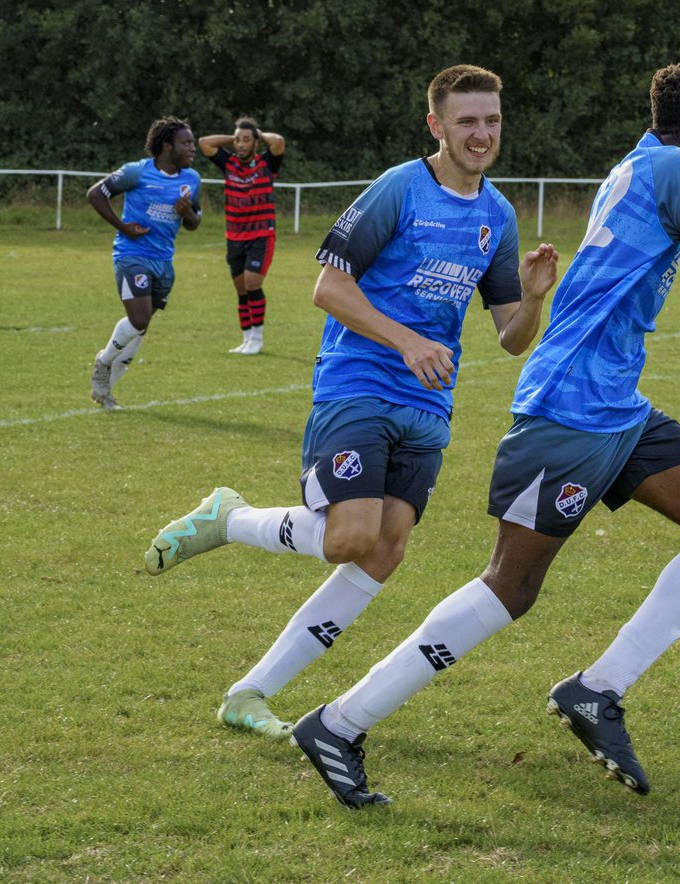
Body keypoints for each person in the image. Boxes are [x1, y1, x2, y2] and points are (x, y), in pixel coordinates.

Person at [284, 61, 680, 809]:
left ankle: (597, 690)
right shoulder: (673, 166)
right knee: (510, 587)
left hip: (615, 406)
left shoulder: (642, 162)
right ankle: (339, 723)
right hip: (568, 408)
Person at [143, 65, 558, 742]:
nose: (481, 135)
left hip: (428, 406)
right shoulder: (400, 189)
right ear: (437, 125)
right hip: (359, 382)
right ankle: (230, 517)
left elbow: (511, 339)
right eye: (467, 122)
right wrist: (406, 343)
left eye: (491, 121)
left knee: (384, 549)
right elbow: (328, 289)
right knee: (348, 536)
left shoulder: (499, 216)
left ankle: (251, 694)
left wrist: (534, 296)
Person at [87, 117, 202, 410]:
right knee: (138, 319)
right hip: (131, 255)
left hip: (164, 261)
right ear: (167, 146)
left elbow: (194, 223)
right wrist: (122, 227)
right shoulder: (136, 172)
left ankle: (105, 392)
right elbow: (95, 194)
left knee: (143, 326)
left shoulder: (192, 180)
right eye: (186, 143)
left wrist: (188, 213)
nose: (193, 148)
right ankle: (103, 362)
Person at [198, 118, 286, 354]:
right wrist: (234, 136)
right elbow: (204, 143)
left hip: (261, 235)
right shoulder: (229, 163)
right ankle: (246, 339)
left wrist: (256, 133)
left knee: (252, 283)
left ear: (256, 142)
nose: (241, 144)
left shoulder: (267, 163)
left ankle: (257, 340)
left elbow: (278, 142)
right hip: (235, 236)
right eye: (238, 140)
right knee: (240, 289)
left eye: (246, 140)